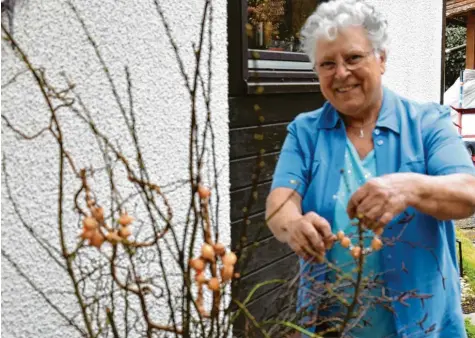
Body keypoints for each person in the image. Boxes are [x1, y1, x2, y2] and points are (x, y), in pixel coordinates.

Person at [265, 0, 475, 337]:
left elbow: (468, 192)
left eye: (353, 58)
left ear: (381, 59)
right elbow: (280, 201)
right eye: (327, 63)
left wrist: (410, 188)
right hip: (329, 326)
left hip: (423, 327)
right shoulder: (305, 132)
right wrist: (293, 224)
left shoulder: (427, 123)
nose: (341, 73)